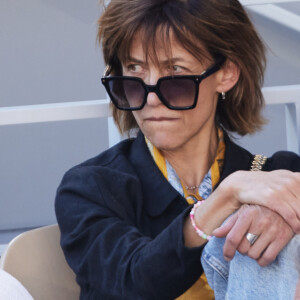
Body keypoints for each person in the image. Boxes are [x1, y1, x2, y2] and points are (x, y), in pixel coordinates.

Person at [55, 0, 300, 299]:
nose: (151, 98)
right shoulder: (90, 188)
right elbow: (131, 284)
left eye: (174, 73)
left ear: (226, 74)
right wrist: (225, 199)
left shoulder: (278, 175)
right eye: (134, 72)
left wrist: (287, 217)